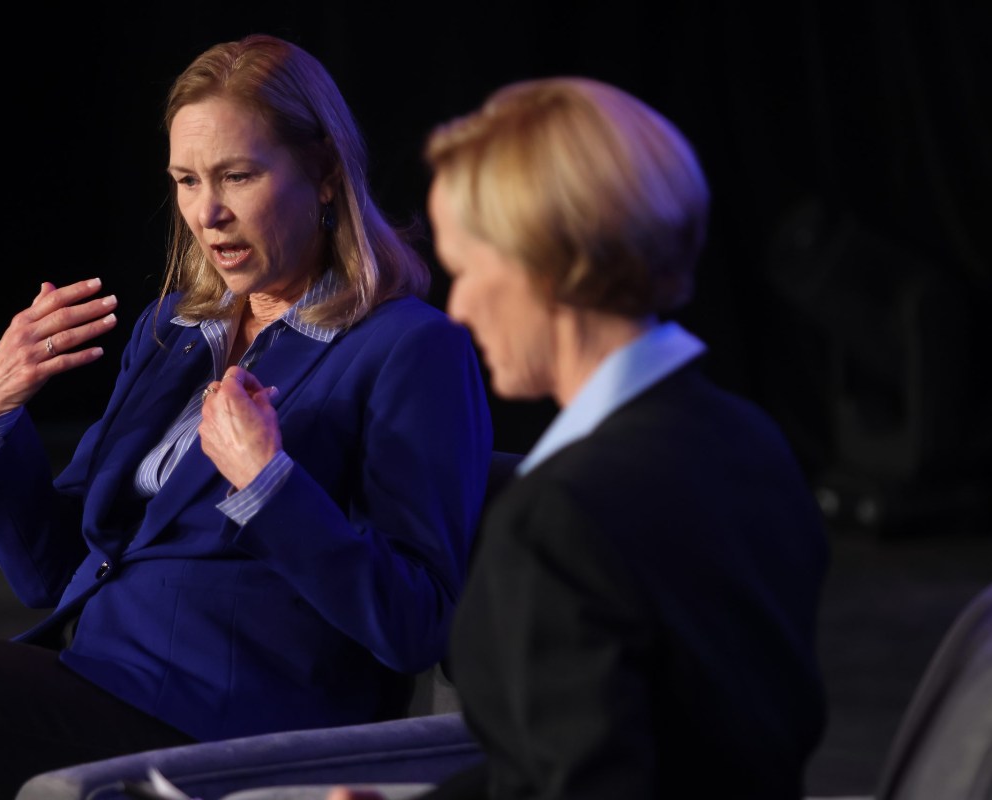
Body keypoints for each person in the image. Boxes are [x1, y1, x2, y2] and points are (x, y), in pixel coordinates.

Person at [0, 33, 492, 799]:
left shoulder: (409, 348)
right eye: (186, 180)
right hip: (90, 677)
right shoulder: (174, 329)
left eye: (238, 176)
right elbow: (49, 570)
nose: (209, 212)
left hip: (222, 723)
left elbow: (416, 622)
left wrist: (268, 486)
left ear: (326, 173)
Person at [325, 76, 829, 799]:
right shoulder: (755, 443)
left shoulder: (563, 519)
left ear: (551, 263)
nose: (458, 308)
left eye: (467, 270)